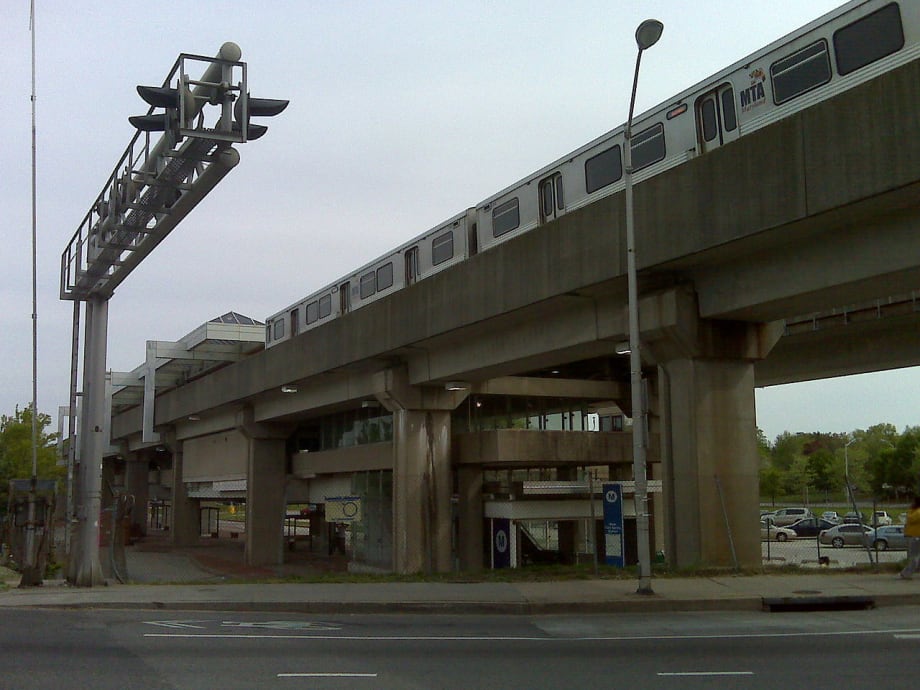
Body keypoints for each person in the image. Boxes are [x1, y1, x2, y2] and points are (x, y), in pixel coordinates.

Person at [899, 495, 920, 579]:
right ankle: (906, 573)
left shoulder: (912, 511)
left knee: (914, 557)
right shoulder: (918, 512)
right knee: (915, 557)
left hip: (914, 536)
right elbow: (912, 519)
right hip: (916, 536)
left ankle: (906, 572)